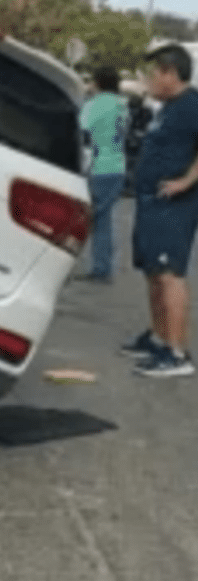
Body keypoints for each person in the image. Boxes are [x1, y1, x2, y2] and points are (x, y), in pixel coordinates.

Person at [120, 44, 198, 377]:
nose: (150, 80)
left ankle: (177, 354)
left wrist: (185, 182)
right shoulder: (168, 107)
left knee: (169, 276)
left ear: (170, 73)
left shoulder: (192, 105)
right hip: (151, 202)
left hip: (173, 206)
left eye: (154, 73)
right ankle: (158, 337)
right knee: (153, 273)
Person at [77, 65, 129, 283]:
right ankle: (102, 265)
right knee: (104, 219)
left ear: (97, 83)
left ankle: (100, 268)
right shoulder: (122, 105)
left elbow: (80, 126)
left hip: (99, 165)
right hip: (118, 165)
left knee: (94, 219)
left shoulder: (95, 105)